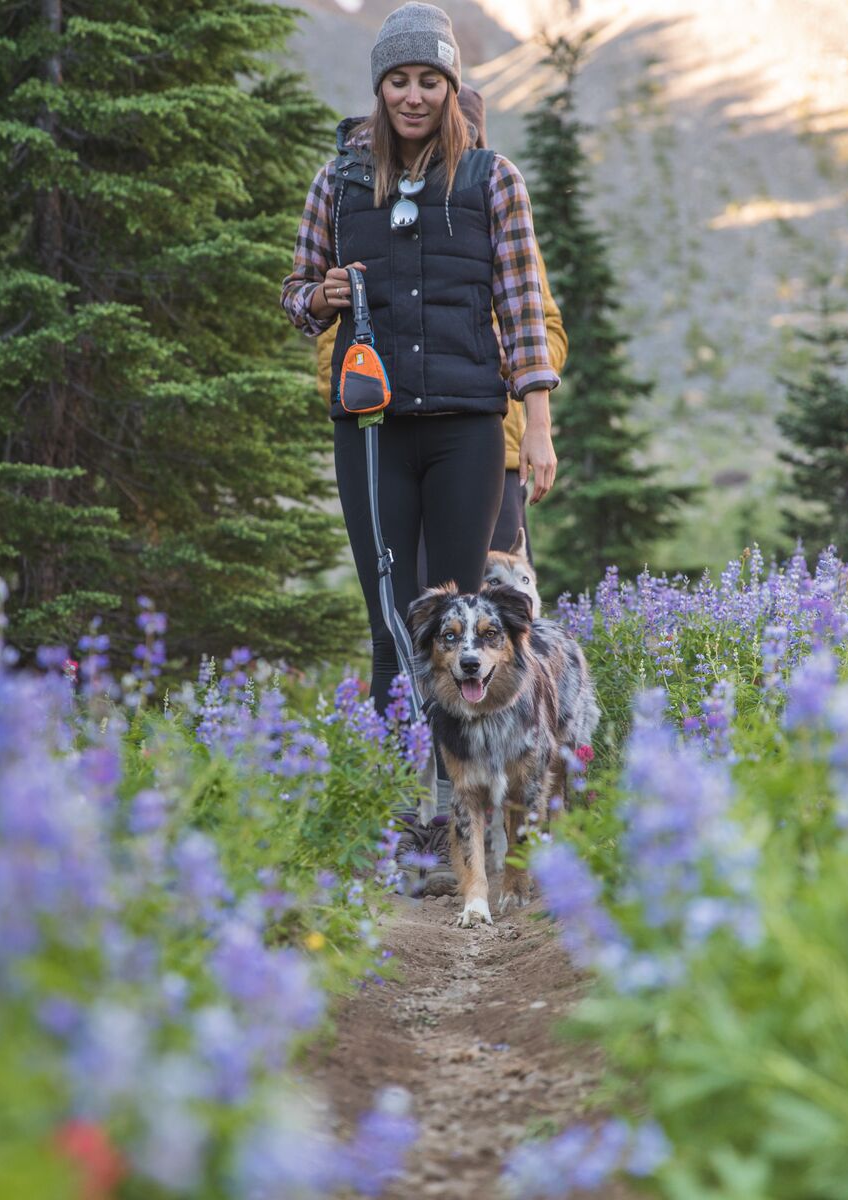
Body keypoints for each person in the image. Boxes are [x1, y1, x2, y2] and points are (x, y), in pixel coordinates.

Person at [281, 1, 560, 885]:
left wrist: (538, 427)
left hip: (471, 429)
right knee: (391, 621)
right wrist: (317, 297)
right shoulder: (339, 182)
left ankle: (463, 818)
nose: (411, 95)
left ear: (450, 89)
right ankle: (400, 813)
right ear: (379, 89)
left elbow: (522, 311)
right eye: (397, 80)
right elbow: (292, 291)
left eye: (427, 80)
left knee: (465, 621)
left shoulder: (491, 179)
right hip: (371, 431)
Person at [310, 85, 567, 576]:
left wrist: (499, 356)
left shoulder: (495, 200)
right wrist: (354, 387)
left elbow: (543, 325)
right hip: (387, 427)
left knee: (489, 607)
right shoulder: (356, 203)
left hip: (496, 444)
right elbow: (329, 341)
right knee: (415, 609)